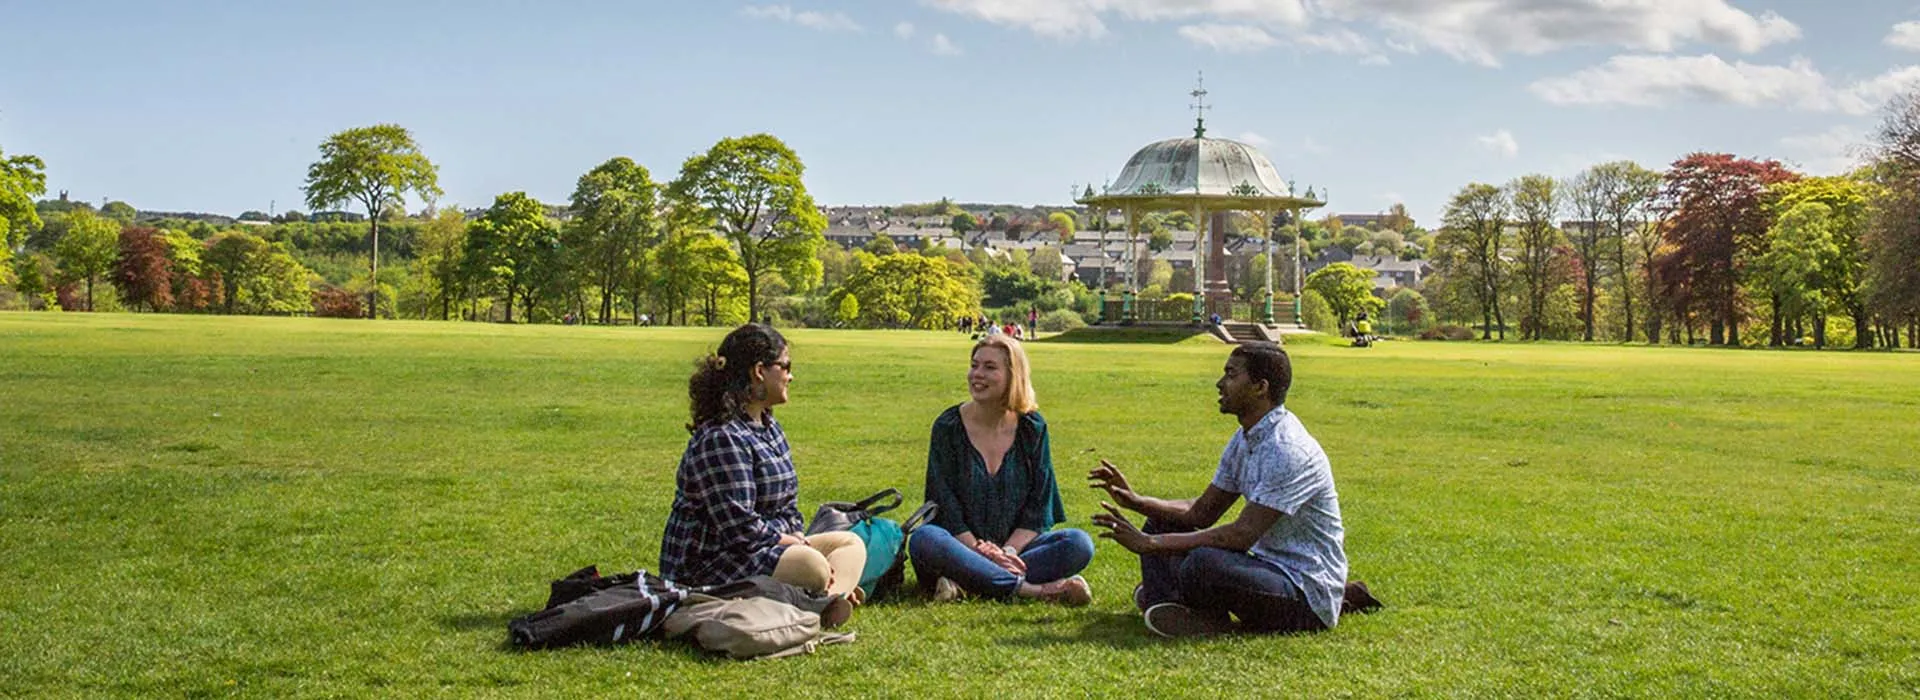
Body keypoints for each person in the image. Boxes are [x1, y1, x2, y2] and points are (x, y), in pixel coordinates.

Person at [1090, 341, 1349, 638]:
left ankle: (1194, 614)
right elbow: (1201, 512)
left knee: (1204, 562)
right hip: (1265, 568)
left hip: (1304, 593)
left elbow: (1240, 535)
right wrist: (1136, 501)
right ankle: (1168, 605)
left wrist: (1151, 544)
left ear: (1260, 387)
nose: (1219, 383)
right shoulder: (1246, 438)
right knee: (1165, 521)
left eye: (1231, 375)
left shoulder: (1287, 450)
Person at [659, 323, 868, 602]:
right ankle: (823, 596)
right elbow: (740, 529)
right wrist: (791, 543)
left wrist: (795, 534)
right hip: (712, 565)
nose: (791, 376)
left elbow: (788, 506)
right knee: (812, 565)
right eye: (786, 366)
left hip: (765, 546)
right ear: (759, 372)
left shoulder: (770, 427)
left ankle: (825, 599)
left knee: (851, 544)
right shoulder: (722, 437)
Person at [910, 335, 1094, 605]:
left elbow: (1039, 506)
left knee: (1078, 543)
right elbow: (943, 504)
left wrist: (1006, 551)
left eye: (989, 367)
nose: (977, 375)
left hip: (1014, 549)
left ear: (1013, 375)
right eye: (974, 365)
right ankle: (1035, 590)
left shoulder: (1032, 428)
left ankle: (967, 584)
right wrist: (979, 551)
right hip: (958, 547)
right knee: (925, 538)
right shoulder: (948, 426)